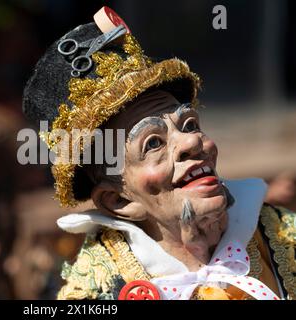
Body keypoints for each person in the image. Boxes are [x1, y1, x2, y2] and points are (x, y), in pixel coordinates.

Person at [22, 7, 296, 300]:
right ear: (118, 200)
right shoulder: (94, 294)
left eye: (189, 124)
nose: (191, 144)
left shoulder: (284, 239)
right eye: (153, 143)